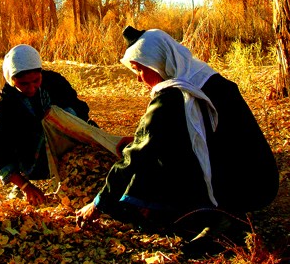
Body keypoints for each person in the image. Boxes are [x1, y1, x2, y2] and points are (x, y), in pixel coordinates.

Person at [76, 26, 279, 249]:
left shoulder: (171, 98)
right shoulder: (208, 78)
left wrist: (98, 203)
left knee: (148, 172)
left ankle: (220, 219)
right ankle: (223, 214)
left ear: (158, 63)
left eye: (139, 70)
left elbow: (135, 157)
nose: (139, 80)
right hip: (260, 180)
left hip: (237, 189)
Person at [0, 44, 102, 206]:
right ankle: (20, 185)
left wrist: (60, 118)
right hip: (33, 159)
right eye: (24, 84)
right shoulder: (3, 103)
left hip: (67, 147)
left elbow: (81, 109)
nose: (32, 88)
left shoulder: (55, 82)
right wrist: (25, 186)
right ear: (12, 80)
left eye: (36, 81)